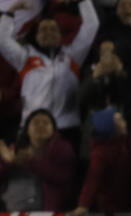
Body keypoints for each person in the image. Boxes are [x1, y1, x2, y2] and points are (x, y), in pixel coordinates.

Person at [0, 0, 98, 134]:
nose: (48, 33)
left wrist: (83, 1)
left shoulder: (73, 55)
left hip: (67, 128)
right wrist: (11, 12)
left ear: (60, 36)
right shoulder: (25, 57)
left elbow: (92, 25)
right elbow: (2, 40)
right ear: (37, 36)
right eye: (43, 30)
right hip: (32, 127)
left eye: (53, 29)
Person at [0, 109, 76, 211]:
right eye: (36, 122)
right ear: (27, 129)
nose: (41, 125)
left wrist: (30, 161)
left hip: (48, 214)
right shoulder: (14, 150)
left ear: (53, 129)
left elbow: (61, 176)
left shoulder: (62, 148)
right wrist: (7, 162)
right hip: (14, 212)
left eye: (46, 123)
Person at [72, 107, 131, 216]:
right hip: (111, 207)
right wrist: (83, 205)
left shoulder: (128, 141)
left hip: (128, 199)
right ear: (109, 127)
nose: (124, 123)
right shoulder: (100, 153)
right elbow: (93, 179)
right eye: (119, 121)